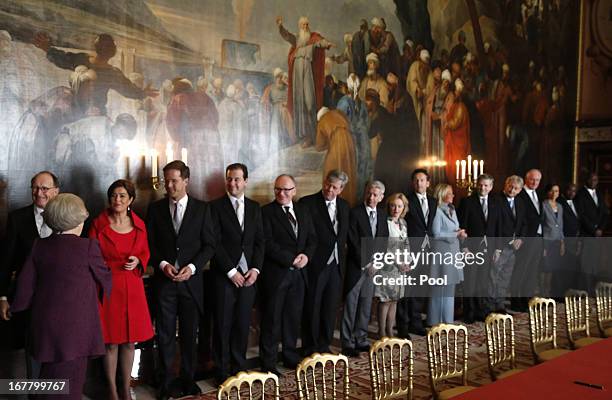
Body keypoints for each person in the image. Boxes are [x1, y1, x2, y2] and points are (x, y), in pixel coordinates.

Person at [10, 193, 112, 400]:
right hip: (77, 329)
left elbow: (24, 289)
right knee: (69, 387)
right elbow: (106, 281)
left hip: (45, 327)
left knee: (49, 382)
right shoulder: (88, 247)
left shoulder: (39, 246)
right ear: (77, 220)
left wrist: (15, 308)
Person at [146, 161, 216, 400]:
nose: (169, 185)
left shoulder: (202, 209)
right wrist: (163, 265)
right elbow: (151, 245)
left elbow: (210, 245)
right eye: (166, 181)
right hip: (164, 284)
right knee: (164, 335)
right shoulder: (155, 209)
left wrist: (193, 267)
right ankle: (165, 382)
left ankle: (188, 380)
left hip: (191, 284)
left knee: (189, 335)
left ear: (186, 181)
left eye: (174, 180)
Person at [89, 180, 153, 400]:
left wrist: (138, 260)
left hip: (133, 287)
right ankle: (112, 390)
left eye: (122, 196)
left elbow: (145, 252)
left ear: (131, 200)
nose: (117, 200)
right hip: (108, 287)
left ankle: (125, 388)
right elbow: (90, 255)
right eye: (114, 196)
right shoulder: (98, 224)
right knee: (111, 342)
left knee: (129, 342)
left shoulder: (140, 225)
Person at [1, 171, 60, 379]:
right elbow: (6, 261)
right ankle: (34, 393)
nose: (39, 193)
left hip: (58, 299)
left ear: (56, 191)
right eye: (35, 187)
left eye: (45, 188)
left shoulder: (67, 218)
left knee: (56, 350)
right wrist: (3, 297)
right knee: (32, 350)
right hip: (27, 298)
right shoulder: (17, 219)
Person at [210, 163, 264, 385]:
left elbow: (260, 242)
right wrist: (231, 271)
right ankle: (222, 371)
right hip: (224, 276)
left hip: (249, 276)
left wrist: (255, 270)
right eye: (229, 179)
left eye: (237, 179)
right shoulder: (214, 207)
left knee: (243, 324)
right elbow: (213, 243)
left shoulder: (254, 207)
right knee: (222, 325)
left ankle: (239, 367)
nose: (232, 183)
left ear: (245, 181)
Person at [259, 175, 316, 374]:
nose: (281, 193)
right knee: (272, 320)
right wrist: (290, 259)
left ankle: (290, 357)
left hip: (299, 275)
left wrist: (306, 257)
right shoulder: (266, 212)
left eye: (285, 190)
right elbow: (267, 243)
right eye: (277, 190)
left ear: (294, 190)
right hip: (276, 275)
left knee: (292, 318)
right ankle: (268, 363)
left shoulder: (303, 210)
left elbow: (312, 239)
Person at [300, 170, 350, 354]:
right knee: (313, 305)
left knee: (330, 307)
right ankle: (310, 347)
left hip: (337, 265)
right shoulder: (307, 203)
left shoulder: (344, 206)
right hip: (315, 263)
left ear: (341, 189)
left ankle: (324, 344)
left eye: (335, 187)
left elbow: (344, 235)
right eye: (328, 184)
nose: (329, 189)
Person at [341, 180, 389, 356]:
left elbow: (384, 240)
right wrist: (367, 263)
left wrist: (377, 263)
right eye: (369, 193)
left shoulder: (383, 215)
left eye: (375, 194)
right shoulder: (355, 213)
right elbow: (352, 241)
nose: (371, 197)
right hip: (357, 267)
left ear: (381, 197)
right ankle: (347, 342)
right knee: (351, 305)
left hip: (374, 268)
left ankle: (361, 338)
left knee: (366, 305)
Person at [276, 16, 332, 147]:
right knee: (299, 104)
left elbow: (320, 42)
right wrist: (280, 26)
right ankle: (305, 136)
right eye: (303, 25)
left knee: (310, 103)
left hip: (307, 75)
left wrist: (327, 44)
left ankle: (313, 135)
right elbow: (286, 35)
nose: (306, 27)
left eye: (307, 25)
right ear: (299, 27)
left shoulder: (312, 39)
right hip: (297, 77)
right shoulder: (296, 39)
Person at [396, 169, 436, 337]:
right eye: (416, 180)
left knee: (420, 288)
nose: (419, 183)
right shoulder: (407, 201)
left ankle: (416, 322)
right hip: (410, 249)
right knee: (407, 290)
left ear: (428, 183)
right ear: (413, 183)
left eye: (422, 180)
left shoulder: (433, 201)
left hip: (427, 250)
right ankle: (403, 326)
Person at [458, 174, 500, 322]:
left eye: (486, 185)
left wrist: (497, 249)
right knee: (470, 280)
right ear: (477, 185)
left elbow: (497, 227)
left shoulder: (496, 203)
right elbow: (461, 226)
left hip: (489, 249)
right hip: (471, 249)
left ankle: (480, 311)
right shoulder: (467, 202)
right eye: (481, 185)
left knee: (483, 280)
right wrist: (464, 248)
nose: (483, 188)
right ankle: (469, 313)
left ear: (491, 187)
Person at [427, 184, 467, 325]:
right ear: (442, 194)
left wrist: (460, 233)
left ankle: (447, 321)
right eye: (450, 193)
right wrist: (455, 234)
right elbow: (436, 233)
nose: (453, 195)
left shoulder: (452, 209)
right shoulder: (437, 210)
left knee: (450, 288)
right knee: (439, 288)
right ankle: (435, 321)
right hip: (442, 253)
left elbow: (454, 228)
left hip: (453, 251)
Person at [487, 176, 527, 313]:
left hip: (514, 248)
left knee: (505, 276)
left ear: (520, 190)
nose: (512, 190)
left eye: (516, 188)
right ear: (505, 184)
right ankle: (490, 306)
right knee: (493, 276)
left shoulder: (521, 202)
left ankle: (500, 304)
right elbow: (494, 226)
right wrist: (497, 247)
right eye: (510, 186)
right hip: (500, 245)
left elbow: (523, 223)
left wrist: (520, 239)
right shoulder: (495, 200)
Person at [375, 193, 412, 338]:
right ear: (388, 206)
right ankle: (382, 331)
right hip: (387, 266)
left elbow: (406, 244)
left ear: (404, 208)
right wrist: (398, 263)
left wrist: (407, 262)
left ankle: (390, 330)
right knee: (385, 300)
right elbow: (386, 247)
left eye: (399, 206)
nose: (396, 209)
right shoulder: (385, 222)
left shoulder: (403, 223)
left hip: (401, 268)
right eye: (393, 205)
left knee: (395, 300)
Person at [512, 168, 543, 311]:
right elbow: (520, 219)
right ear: (526, 178)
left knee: (532, 271)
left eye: (537, 180)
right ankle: (516, 301)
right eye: (532, 179)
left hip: (537, 238)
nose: (535, 182)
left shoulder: (538, 194)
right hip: (525, 239)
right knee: (521, 270)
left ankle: (528, 300)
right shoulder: (520, 194)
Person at [575, 172, 609, 293]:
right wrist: (593, 230)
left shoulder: (599, 194)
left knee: (595, 263)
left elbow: (605, 212)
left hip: (597, 236)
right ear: (587, 180)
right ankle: (585, 290)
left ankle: (592, 290)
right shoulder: (580, 194)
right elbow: (581, 215)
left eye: (596, 180)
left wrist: (600, 229)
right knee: (586, 264)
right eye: (592, 180)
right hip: (586, 234)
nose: (594, 182)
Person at [315, 108, 358, 204]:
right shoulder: (339, 114)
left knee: (331, 171)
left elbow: (319, 146)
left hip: (337, 144)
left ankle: (332, 201)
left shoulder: (323, 120)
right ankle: (348, 200)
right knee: (347, 169)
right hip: (350, 143)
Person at [540, 183, 564, 298]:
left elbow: (560, 225)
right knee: (545, 268)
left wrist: (562, 242)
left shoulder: (560, 206)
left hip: (557, 241)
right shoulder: (543, 205)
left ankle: (548, 294)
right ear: (548, 192)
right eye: (553, 191)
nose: (555, 193)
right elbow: (541, 225)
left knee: (553, 269)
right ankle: (542, 293)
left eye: (557, 191)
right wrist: (543, 246)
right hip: (547, 241)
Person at [557, 183, 580, 295]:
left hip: (575, 240)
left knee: (571, 267)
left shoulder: (576, 202)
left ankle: (568, 292)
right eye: (570, 190)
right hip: (564, 240)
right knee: (562, 269)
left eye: (574, 191)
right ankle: (560, 293)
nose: (572, 193)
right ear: (565, 190)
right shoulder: (560, 202)